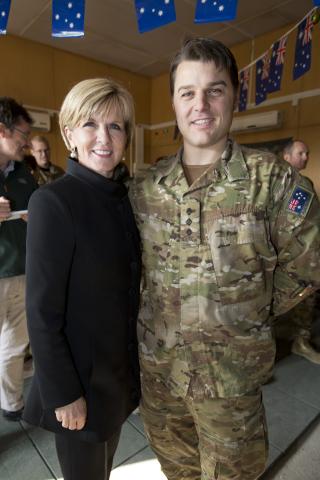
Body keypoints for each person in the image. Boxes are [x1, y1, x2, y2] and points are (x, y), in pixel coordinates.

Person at [130, 38, 320, 480]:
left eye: (215, 90)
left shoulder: (273, 181)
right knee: (177, 472)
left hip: (231, 383)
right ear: (175, 103)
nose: (201, 104)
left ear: (235, 95)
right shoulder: (143, 188)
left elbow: (309, 262)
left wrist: (249, 311)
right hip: (161, 378)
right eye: (188, 92)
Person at [23, 78, 141, 480]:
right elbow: (41, 312)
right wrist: (64, 395)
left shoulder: (123, 199)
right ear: (69, 133)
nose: (104, 137)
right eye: (90, 124)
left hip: (116, 382)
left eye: (115, 126)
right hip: (79, 390)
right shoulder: (54, 202)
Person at [0, 97, 37, 422]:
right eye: (22, 133)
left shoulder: (24, 172)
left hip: (23, 272)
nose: (27, 141)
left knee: (14, 345)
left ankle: (12, 405)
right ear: (2, 130)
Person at [276, 139, 320, 363]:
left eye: (307, 153)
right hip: (296, 254)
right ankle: (298, 340)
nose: (306, 157)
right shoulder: (295, 183)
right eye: (301, 153)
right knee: (304, 295)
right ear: (286, 156)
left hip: (296, 252)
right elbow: (294, 222)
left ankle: (296, 337)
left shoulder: (299, 181)